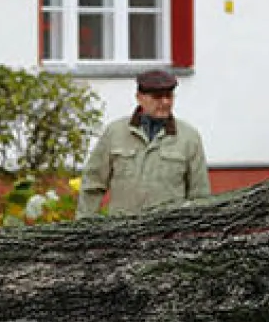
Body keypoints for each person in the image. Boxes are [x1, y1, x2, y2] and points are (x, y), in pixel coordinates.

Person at [76, 69, 211, 218]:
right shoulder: (115, 133)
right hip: (122, 232)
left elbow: (200, 196)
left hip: (169, 235)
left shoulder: (189, 138)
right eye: (157, 97)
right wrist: (84, 226)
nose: (165, 102)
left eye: (169, 96)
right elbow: (93, 183)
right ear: (139, 98)